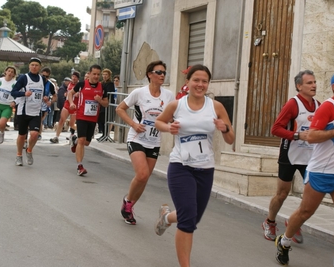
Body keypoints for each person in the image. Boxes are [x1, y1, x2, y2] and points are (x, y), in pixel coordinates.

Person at [153, 64, 234, 267]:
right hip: (181, 166)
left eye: (204, 81)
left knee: (192, 217)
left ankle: (167, 217)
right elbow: (158, 122)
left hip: (205, 169)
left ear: (208, 84)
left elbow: (231, 139)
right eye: (196, 80)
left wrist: (225, 129)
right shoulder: (177, 105)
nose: (200, 84)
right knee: (188, 220)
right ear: (187, 82)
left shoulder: (216, 107)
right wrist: (169, 127)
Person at [275, 71, 334, 267]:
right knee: (305, 212)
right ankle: (284, 241)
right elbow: (312, 135)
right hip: (320, 172)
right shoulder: (327, 107)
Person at [262, 70, 319, 243]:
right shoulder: (292, 104)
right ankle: (269, 221)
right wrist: (297, 135)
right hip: (290, 154)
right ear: (299, 86)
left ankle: (293, 222)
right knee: (282, 193)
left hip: (310, 157)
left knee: (311, 195)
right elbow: (275, 129)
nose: (314, 85)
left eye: (315, 82)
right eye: (309, 83)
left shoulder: (319, 105)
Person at [116, 60, 175, 225]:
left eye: (164, 72)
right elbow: (119, 108)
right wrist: (134, 124)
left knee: (145, 178)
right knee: (141, 174)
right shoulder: (139, 93)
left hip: (154, 141)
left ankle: (129, 204)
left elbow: (172, 114)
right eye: (159, 72)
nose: (163, 75)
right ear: (150, 75)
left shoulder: (168, 95)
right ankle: (127, 203)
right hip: (137, 139)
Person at [68, 64, 108, 175]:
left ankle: (74, 140)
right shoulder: (81, 84)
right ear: (89, 74)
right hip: (81, 116)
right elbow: (70, 94)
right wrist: (71, 103)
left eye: (98, 74)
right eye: (94, 74)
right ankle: (79, 166)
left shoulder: (102, 87)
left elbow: (106, 103)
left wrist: (100, 100)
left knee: (86, 142)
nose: (96, 76)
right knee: (82, 140)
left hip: (93, 118)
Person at [11, 57, 48, 166]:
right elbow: (14, 92)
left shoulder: (43, 79)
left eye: (36, 65)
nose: (34, 67)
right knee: (22, 135)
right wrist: (24, 94)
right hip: (23, 111)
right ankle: (18, 155)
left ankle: (29, 150)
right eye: (32, 65)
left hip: (36, 111)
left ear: (39, 67)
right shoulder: (24, 78)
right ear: (29, 66)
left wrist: (46, 98)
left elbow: (45, 94)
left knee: (34, 134)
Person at [0, 66, 18, 149]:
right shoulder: (0, 80)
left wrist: (14, 102)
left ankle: (2, 132)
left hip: (7, 106)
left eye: (12, 72)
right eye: (9, 71)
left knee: (1, 124)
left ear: (14, 74)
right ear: (5, 72)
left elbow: (20, 95)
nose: (10, 73)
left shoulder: (15, 83)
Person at [50, 71, 79, 144]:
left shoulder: (79, 85)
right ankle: (56, 137)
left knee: (72, 124)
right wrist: (66, 94)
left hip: (75, 105)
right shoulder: (69, 84)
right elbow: (67, 92)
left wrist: (78, 94)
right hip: (67, 104)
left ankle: (81, 132)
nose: (73, 78)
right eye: (73, 77)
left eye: (75, 77)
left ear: (78, 79)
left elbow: (81, 94)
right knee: (61, 120)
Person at [38, 67, 57, 140]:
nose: (45, 78)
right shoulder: (36, 82)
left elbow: (55, 96)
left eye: (47, 76)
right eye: (43, 76)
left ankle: (39, 134)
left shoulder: (50, 85)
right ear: (40, 74)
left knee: (39, 120)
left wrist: (50, 101)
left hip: (44, 106)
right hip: (34, 104)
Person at [97, 68, 115, 141]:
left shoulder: (110, 84)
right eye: (103, 74)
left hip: (108, 103)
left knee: (106, 119)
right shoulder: (101, 83)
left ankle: (105, 134)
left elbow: (108, 93)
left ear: (109, 76)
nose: (104, 76)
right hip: (101, 103)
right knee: (100, 119)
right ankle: (103, 134)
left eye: (106, 75)